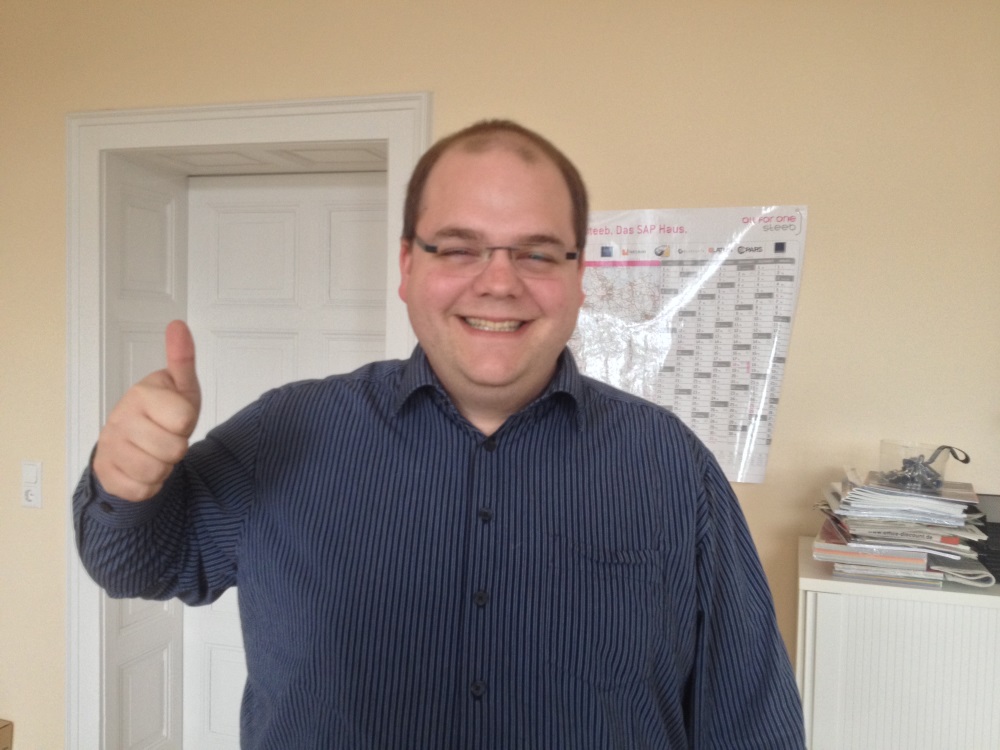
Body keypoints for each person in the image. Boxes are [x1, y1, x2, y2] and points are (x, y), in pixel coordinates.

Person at [74, 120, 805, 749]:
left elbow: (750, 717)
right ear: (406, 266)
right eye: (458, 248)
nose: (499, 282)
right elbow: (131, 566)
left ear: (580, 276)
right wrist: (125, 486)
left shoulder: (670, 464)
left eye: (537, 252)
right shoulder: (285, 431)